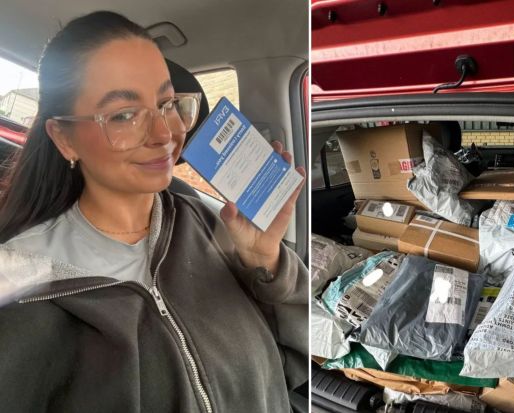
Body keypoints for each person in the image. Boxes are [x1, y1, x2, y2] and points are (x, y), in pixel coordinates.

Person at [0, 11, 307, 413]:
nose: (166, 133)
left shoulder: (210, 222)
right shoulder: (19, 287)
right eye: (124, 115)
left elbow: (293, 371)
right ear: (64, 138)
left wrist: (266, 262)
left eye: (167, 103)